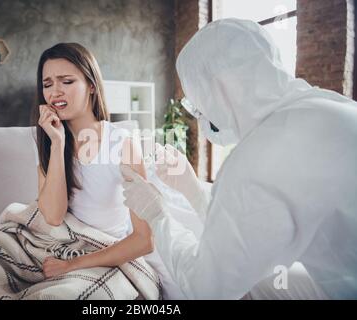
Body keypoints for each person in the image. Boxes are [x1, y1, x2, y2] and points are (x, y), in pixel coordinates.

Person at [120, 18, 357, 299]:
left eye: (197, 102)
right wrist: (193, 189)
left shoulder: (259, 157)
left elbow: (207, 288)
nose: (199, 115)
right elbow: (249, 239)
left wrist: (157, 215)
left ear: (220, 86)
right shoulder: (330, 106)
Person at [31, 42, 184, 299]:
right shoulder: (50, 141)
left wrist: (72, 265)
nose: (55, 91)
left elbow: (144, 240)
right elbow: (53, 217)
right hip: (58, 242)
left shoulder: (121, 143)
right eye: (47, 84)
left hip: (102, 250)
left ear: (91, 85)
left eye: (66, 81)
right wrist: (57, 145)